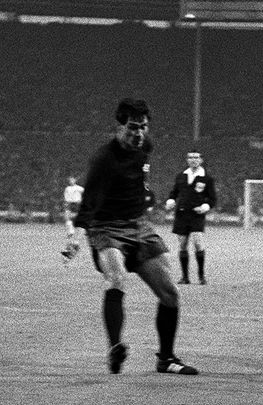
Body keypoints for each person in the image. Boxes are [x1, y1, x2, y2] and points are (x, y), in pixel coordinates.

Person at [67, 98, 198, 376]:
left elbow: (138, 176)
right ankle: (115, 347)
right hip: (106, 228)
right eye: (132, 127)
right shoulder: (104, 159)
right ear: (119, 127)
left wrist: (144, 194)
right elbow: (88, 202)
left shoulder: (144, 147)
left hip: (138, 226)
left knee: (169, 293)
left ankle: (166, 359)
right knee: (116, 277)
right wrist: (76, 237)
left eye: (143, 127)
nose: (138, 133)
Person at [164, 150, 217, 285]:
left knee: (198, 242)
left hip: (196, 215)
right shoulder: (181, 176)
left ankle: (201, 276)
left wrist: (204, 207)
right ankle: (185, 277)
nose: (193, 160)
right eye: (190, 157)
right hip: (181, 214)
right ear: (187, 160)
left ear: (201, 160)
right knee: (182, 245)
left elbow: (212, 199)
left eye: (196, 157)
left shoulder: (206, 178)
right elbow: (174, 193)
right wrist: (171, 201)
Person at [60, 176, 84, 260]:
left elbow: (85, 195)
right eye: (69, 179)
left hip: (77, 204)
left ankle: (72, 246)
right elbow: (65, 198)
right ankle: (71, 233)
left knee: (79, 223)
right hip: (70, 204)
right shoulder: (67, 188)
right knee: (67, 217)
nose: (71, 181)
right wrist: (66, 203)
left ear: (75, 180)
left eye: (72, 179)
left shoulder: (80, 188)